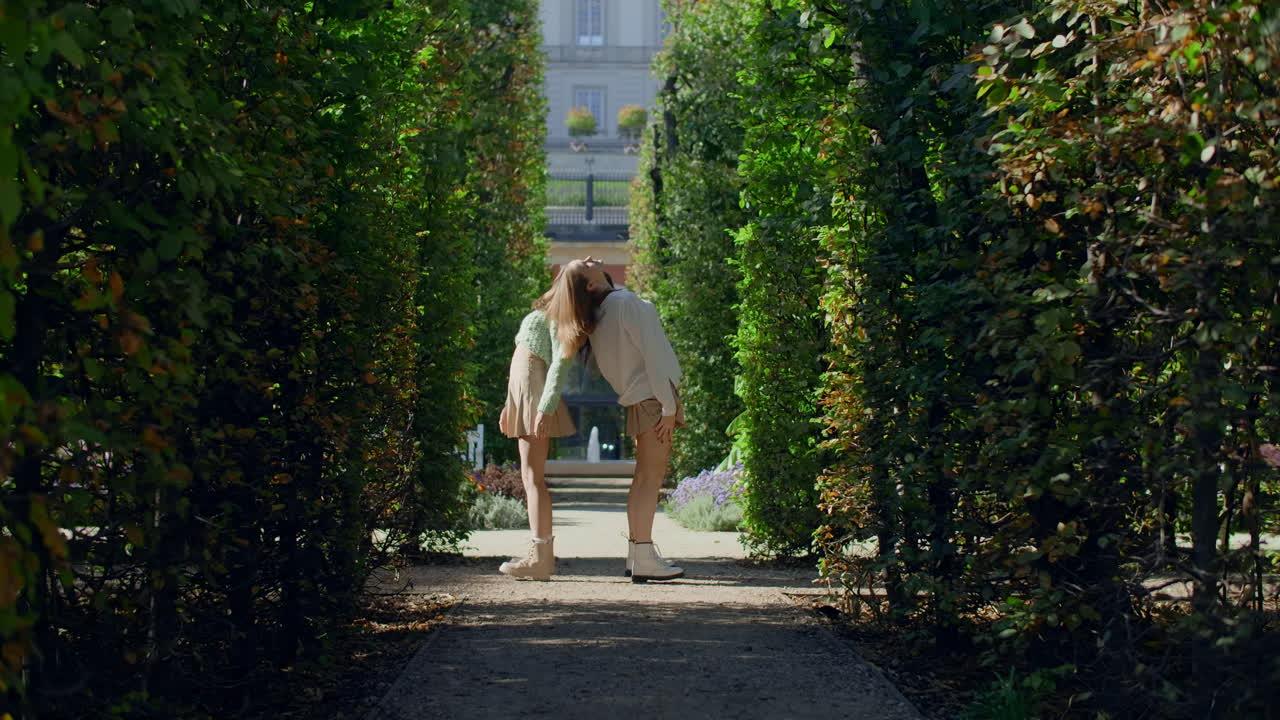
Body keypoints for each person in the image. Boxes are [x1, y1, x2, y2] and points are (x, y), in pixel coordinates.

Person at [579, 257, 686, 583]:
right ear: (590, 284)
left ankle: (637, 555)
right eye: (584, 265)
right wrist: (668, 406)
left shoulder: (600, 316)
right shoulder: (625, 302)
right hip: (654, 398)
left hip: (641, 399)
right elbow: (654, 354)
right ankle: (644, 556)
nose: (589, 259)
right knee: (650, 480)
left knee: (642, 479)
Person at [495, 261, 598, 581]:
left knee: (532, 477)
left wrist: (545, 407)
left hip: (535, 392)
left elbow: (559, 365)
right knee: (531, 477)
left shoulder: (563, 318)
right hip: (526, 391)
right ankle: (539, 555)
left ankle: (540, 558)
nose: (590, 259)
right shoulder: (556, 312)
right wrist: (510, 404)